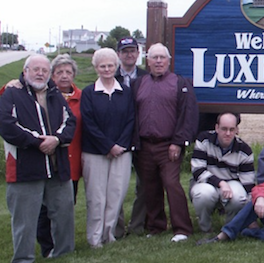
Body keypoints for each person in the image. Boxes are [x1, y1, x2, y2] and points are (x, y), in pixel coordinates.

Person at [0, 54, 76, 263]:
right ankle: (23, 261)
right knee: (24, 219)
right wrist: (37, 142)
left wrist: (56, 140)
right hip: (25, 168)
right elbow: (6, 124)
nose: (40, 73)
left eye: (44, 70)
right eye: (35, 69)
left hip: (57, 167)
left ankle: (64, 254)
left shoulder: (55, 94)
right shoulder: (12, 94)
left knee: (64, 213)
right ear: (25, 71)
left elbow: (70, 122)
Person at [132, 43, 198, 242]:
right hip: (145, 145)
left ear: (169, 61)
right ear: (148, 61)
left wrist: (178, 142)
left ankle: (182, 228)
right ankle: (156, 226)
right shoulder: (138, 84)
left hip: (169, 145)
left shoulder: (179, 83)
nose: (158, 61)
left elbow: (188, 114)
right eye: (155, 57)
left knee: (171, 184)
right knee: (150, 187)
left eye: (162, 57)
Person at [80, 48, 135, 248]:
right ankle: (95, 238)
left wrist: (119, 146)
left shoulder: (125, 92)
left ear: (116, 66)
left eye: (110, 65)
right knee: (96, 197)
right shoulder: (89, 93)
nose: (107, 69)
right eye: (102, 66)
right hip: (95, 153)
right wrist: (108, 146)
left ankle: (109, 234)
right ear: (96, 68)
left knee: (116, 194)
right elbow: (88, 123)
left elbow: (130, 120)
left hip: (121, 152)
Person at [189, 112, 255, 233]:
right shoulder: (204, 139)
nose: (228, 133)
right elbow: (197, 170)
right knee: (203, 194)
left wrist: (251, 217)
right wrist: (221, 183)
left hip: (232, 183)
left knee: (239, 197)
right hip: (205, 182)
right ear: (216, 128)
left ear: (237, 130)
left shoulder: (245, 150)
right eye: (224, 129)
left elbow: (249, 185)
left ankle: (229, 229)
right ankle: (206, 229)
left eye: (231, 129)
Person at [114, 36, 149, 238]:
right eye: (125, 51)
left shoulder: (147, 77)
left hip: (142, 136)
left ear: (138, 53)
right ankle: (117, 228)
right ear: (119, 54)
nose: (129, 55)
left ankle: (137, 225)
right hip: (119, 137)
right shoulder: (111, 76)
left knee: (144, 185)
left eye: (132, 51)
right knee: (117, 186)